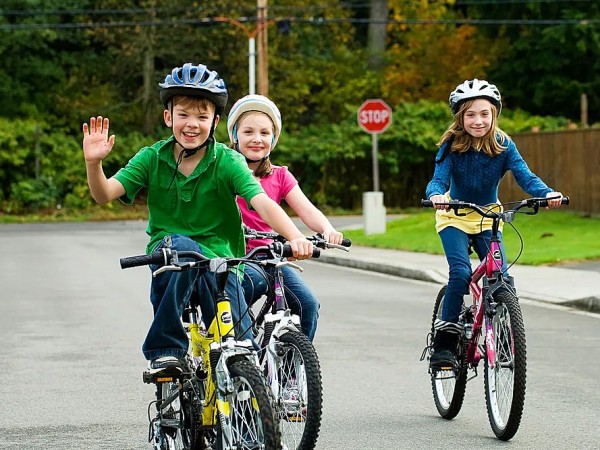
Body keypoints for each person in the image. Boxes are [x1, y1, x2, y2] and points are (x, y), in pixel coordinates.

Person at [81, 63, 313, 373]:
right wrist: (93, 164)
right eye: (184, 115)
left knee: (241, 351)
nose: (192, 124)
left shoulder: (228, 160)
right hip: (175, 256)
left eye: (202, 117)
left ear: (215, 122)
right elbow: (104, 193)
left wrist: (294, 236)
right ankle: (166, 349)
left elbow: (262, 203)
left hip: (223, 261)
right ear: (168, 117)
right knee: (179, 247)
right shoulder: (151, 158)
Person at [425, 78, 563, 368]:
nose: (478, 120)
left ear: (494, 115)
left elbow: (525, 176)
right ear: (460, 117)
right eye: (471, 114)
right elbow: (438, 179)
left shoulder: (503, 145)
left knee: (501, 277)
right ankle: (445, 344)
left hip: (489, 217)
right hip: (455, 217)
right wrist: (436, 195)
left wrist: (546, 193)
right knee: (461, 273)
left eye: (484, 114)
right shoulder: (452, 145)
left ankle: (502, 339)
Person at [226, 94, 343, 341]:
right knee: (236, 299)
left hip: (271, 256)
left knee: (307, 305)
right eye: (248, 132)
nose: (257, 139)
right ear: (234, 136)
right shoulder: (225, 172)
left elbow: (308, 210)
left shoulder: (280, 176)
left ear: (273, 139)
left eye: (264, 133)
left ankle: (293, 370)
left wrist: (327, 229)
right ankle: (238, 357)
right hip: (236, 258)